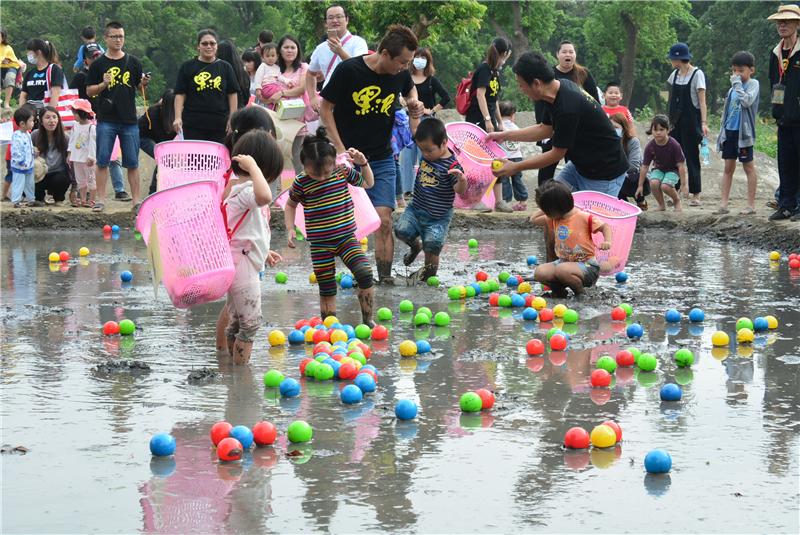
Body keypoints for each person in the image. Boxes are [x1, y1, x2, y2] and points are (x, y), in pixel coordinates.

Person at [319, 24, 423, 285]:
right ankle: (354, 275)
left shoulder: (400, 74)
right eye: (402, 62)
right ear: (385, 53)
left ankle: (384, 279)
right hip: (348, 161)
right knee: (347, 223)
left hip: (382, 157)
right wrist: (340, 149)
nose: (405, 67)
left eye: (408, 62)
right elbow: (325, 108)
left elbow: (410, 88)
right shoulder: (349, 70)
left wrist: (413, 102)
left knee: (384, 220)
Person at [489, 52, 629, 199]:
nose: (520, 89)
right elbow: (545, 129)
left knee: (591, 221)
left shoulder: (567, 107)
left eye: (521, 84)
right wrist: (504, 135)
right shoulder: (556, 91)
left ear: (536, 83)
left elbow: (557, 153)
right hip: (580, 166)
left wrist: (515, 166)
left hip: (604, 172)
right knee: (551, 202)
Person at [284, 127, 376, 324]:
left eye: (326, 172)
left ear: (334, 161)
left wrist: (363, 164)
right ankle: (330, 326)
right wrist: (290, 228)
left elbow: (368, 183)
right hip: (320, 244)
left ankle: (367, 321)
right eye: (316, 174)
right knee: (326, 287)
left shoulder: (342, 171)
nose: (323, 177)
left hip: (346, 238)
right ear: (304, 165)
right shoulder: (301, 182)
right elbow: (290, 205)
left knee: (365, 273)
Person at [215, 105, 281, 353]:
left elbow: (247, 229)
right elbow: (264, 196)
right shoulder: (245, 190)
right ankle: (242, 382)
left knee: (235, 322)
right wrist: (254, 169)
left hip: (243, 258)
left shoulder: (241, 189)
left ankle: (233, 377)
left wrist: (264, 250)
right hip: (241, 266)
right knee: (249, 325)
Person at [86, 21, 150, 212]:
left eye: (121, 36)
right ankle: (101, 200)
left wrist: (143, 82)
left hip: (129, 119)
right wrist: (104, 84)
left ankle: (136, 201)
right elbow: (89, 91)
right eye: (114, 36)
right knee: (103, 160)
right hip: (106, 119)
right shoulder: (98, 64)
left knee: (132, 162)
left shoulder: (133, 62)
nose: (118, 40)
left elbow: (138, 88)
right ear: (105, 38)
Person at [394, 118, 466, 281]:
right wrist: (414, 113)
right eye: (422, 150)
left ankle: (427, 280)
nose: (425, 154)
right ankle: (415, 247)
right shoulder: (427, 152)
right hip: (416, 209)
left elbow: (459, 191)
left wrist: (462, 180)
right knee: (401, 230)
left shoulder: (452, 166)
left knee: (432, 246)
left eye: (429, 150)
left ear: (444, 143)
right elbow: (414, 130)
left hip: (438, 218)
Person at [70, 41, 131, 203]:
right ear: (86, 61)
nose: (96, 59)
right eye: (92, 57)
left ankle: (119, 189)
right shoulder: (80, 76)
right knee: (84, 157)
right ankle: (81, 193)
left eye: (98, 55)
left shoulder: (110, 72)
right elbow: (72, 96)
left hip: (107, 117)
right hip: (86, 121)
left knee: (112, 155)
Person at [529, 180, 611, 296]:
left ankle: (581, 294)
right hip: (563, 262)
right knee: (539, 273)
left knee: (562, 270)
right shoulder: (554, 218)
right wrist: (545, 206)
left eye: (546, 210)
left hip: (587, 266)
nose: (545, 214)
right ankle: (559, 292)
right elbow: (533, 220)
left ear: (554, 209)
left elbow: (605, 227)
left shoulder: (583, 217)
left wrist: (607, 241)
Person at [535, 40, 600, 185]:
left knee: (575, 166)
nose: (568, 55)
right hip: (552, 128)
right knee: (547, 165)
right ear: (557, 54)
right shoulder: (549, 75)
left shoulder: (583, 74)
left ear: (575, 55)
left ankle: (575, 197)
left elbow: (595, 103)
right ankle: (544, 197)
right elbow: (540, 103)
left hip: (577, 130)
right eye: (564, 52)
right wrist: (543, 127)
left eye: (571, 52)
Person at [463, 37, 512, 211]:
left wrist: (500, 122)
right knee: (478, 161)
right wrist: (487, 119)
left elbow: (494, 100)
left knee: (495, 159)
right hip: (478, 119)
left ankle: (499, 201)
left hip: (490, 120)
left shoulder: (495, 72)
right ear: (504, 54)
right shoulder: (484, 69)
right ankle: (474, 199)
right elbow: (480, 95)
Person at [399, 47, 450, 201]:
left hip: (427, 122)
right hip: (408, 120)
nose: (419, 60)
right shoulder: (405, 77)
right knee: (407, 156)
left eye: (423, 57)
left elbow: (446, 97)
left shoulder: (431, 80)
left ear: (428, 61)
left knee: (426, 155)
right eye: (417, 56)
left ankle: (424, 187)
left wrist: (431, 110)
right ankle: (407, 190)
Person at [714, 51, 760, 216]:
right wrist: (722, 133)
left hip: (744, 134)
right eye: (734, 71)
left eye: (741, 70)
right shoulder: (732, 88)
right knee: (728, 168)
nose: (737, 74)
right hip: (730, 132)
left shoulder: (753, 84)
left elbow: (747, 101)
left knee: (748, 167)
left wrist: (737, 85)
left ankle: (751, 205)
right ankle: (723, 204)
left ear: (751, 70)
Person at [174, 30, 239, 144]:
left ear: (217, 46)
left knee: (216, 159)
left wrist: (232, 118)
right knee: (194, 159)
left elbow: (232, 94)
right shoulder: (187, 67)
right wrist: (177, 117)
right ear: (198, 46)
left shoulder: (226, 67)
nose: (209, 46)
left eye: (212, 43)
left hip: (219, 124)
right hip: (193, 124)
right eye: (204, 43)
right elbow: (180, 94)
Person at [768, 4, 800, 221]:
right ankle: (786, 205)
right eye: (780, 21)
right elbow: (773, 83)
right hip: (783, 119)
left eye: (787, 21)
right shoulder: (775, 53)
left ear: (797, 24)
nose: (782, 24)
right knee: (785, 163)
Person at [306, 4, 369, 112]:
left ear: (347, 20)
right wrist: (312, 97)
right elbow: (311, 73)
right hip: (328, 102)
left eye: (339, 16)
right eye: (330, 18)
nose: (335, 20)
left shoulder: (358, 42)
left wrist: (340, 51)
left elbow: (360, 69)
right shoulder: (321, 48)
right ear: (326, 23)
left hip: (354, 100)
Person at [667, 42, 708, 206]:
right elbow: (670, 99)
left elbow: (702, 101)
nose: (671, 61)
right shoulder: (674, 75)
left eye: (672, 58)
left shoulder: (697, 74)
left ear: (678, 59)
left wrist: (704, 122)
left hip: (691, 121)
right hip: (675, 122)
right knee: (674, 156)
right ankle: (675, 191)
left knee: (691, 157)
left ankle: (696, 193)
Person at [262, 35, 309, 172]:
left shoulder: (303, 68)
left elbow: (301, 89)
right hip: (276, 120)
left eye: (293, 47)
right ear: (279, 50)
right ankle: (278, 192)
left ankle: (300, 190)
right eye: (286, 47)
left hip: (296, 121)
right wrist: (268, 97)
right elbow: (265, 92)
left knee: (296, 157)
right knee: (276, 158)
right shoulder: (272, 69)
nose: (290, 50)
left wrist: (282, 93)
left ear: (298, 50)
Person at [636, 115, 688, 212]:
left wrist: (684, 185)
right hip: (659, 169)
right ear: (651, 131)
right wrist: (640, 185)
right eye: (655, 130)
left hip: (673, 170)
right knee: (654, 183)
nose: (658, 132)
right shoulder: (650, 146)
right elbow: (645, 166)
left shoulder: (674, 145)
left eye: (661, 129)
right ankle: (661, 204)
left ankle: (676, 201)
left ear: (668, 130)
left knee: (665, 186)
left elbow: (681, 165)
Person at [138, 89, 177, 194]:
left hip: (162, 141)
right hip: (144, 137)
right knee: (164, 159)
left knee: (166, 158)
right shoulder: (154, 112)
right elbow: (162, 137)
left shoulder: (178, 114)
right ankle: (153, 191)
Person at [32, 106, 71, 205]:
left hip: (58, 173)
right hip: (40, 174)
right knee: (32, 175)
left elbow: (71, 163)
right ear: (41, 120)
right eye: (47, 117)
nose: (51, 120)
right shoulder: (35, 135)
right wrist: (32, 151)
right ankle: (39, 198)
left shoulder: (65, 138)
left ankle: (58, 198)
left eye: (54, 117)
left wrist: (75, 187)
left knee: (61, 179)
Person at [609, 112, 646, 208]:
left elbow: (634, 166)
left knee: (631, 177)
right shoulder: (608, 142)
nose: (613, 130)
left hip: (633, 176)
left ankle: (640, 199)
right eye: (611, 127)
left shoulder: (633, 142)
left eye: (616, 127)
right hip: (615, 175)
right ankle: (623, 204)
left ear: (624, 128)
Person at [498, 100, 529, 211]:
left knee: (504, 180)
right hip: (517, 157)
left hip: (504, 158)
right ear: (512, 114)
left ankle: (506, 201)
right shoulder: (516, 127)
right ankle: (523, 201)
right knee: (517, 179)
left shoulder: (499, 127)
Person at [67, 99, 96, 207]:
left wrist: (92, 157)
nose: (73, 115)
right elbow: (72, 139)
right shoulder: (75, 125)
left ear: (82, 113)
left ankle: (92, 200)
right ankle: (83, 199)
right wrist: (69, 153)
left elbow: (93, 144)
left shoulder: (91, 128)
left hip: (88, 159)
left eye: (75, 113)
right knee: (80, 181)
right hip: (76, 158)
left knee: (91, 180)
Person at [19, 39, 62, 110]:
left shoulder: (54, 69)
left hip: (46, 114)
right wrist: (23, 113)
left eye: (29, 52)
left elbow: (55, 94)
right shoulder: (30, 73)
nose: (28, 55)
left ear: (38, 52)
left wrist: (48, 114)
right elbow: (23, 96)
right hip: (31, 116)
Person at [9, 105, 35, 207]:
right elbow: (15, 150)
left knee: (30, 183)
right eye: (31, 121)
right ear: (22, 124)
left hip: (29, 164)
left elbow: (29, 147)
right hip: (20, 165)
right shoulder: (16, 135)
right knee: (18, 183)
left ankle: (31, 199)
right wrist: (21, 160)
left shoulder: (28, 134)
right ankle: (16, 201)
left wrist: (33, 153)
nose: (33, 123)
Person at [217, 40, 250, 109]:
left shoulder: (218, 73)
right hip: (240, 112)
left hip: (222, 113)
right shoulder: (243, 74)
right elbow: (246, 98)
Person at [1, 30, 21, 109]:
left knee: (9, 79)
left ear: (2, 38)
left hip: (11, 66)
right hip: (1, 66)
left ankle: (6, 103)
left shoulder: (6, 48)